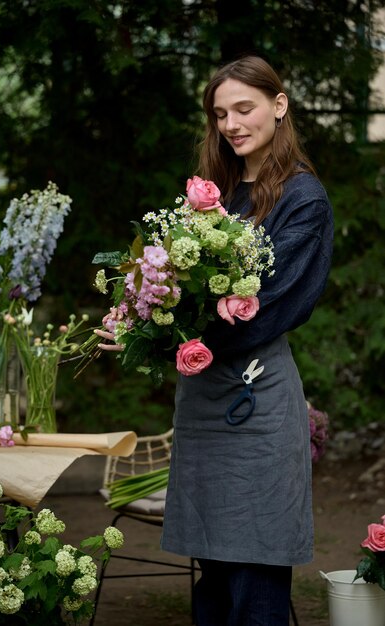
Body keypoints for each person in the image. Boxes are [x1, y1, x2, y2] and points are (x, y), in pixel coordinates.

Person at [95, 55, 334, 626]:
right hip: (202, 400)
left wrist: (157, 336)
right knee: (216, 575)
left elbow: (267, 310)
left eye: (244, 108)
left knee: (255, 572)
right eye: (220, 113)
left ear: (279, 106)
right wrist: (139, 311)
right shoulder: (217, 196)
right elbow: (177, 287)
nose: (231, 123)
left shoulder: (304, 201)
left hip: (256, 399)